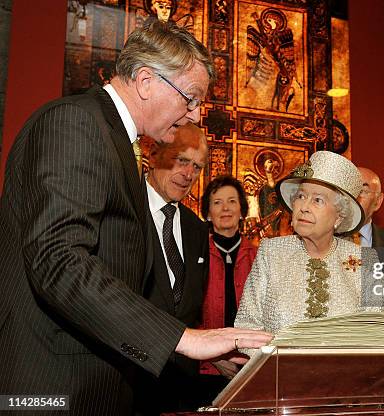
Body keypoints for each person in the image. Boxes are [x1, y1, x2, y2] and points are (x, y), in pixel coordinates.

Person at [0, 20, 271, 415]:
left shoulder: (116, 139)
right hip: (52, 383)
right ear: (146, 81)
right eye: (191, 98)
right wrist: (185, 339)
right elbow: (58, 260)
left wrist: (195, 351)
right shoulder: (77, 123)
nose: (195, 115)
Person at [235, 151, 384, 344]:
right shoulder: (271, 252)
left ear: (339, 216)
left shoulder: (364, 261)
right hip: (278, 372)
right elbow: (247, 326)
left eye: (318, 200)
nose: (304, 207)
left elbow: (378, 334)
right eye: (301, 196)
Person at [134, 123, 209, 414]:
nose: (189, 175)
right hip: (129, 377)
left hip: (181, 388)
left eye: (198, 167)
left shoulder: (197, 229)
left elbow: (190, 307)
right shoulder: (125, 208)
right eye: (182, 160)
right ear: (153, 155)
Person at [199, 175, 258, 401]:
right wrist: (213, 358)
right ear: (207, 213)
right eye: (217, 202)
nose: (225, 208)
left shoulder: (258, 256)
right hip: (204, 369)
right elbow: (186, 312)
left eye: (232, 201)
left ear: (242, 210)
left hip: (250, 367)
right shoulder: (195, 254)